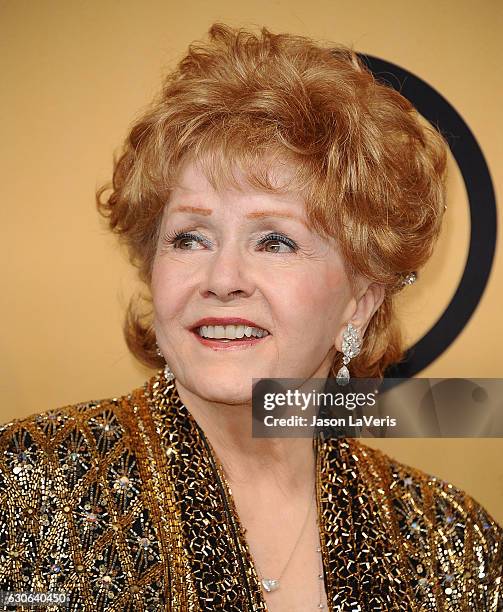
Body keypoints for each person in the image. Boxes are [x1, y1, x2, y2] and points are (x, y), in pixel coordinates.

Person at [0, 23, 501, 612]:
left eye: (275, 242)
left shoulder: (454, 546)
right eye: (189, 238)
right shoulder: (30, 487)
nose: (221, 278)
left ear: (360, 299)